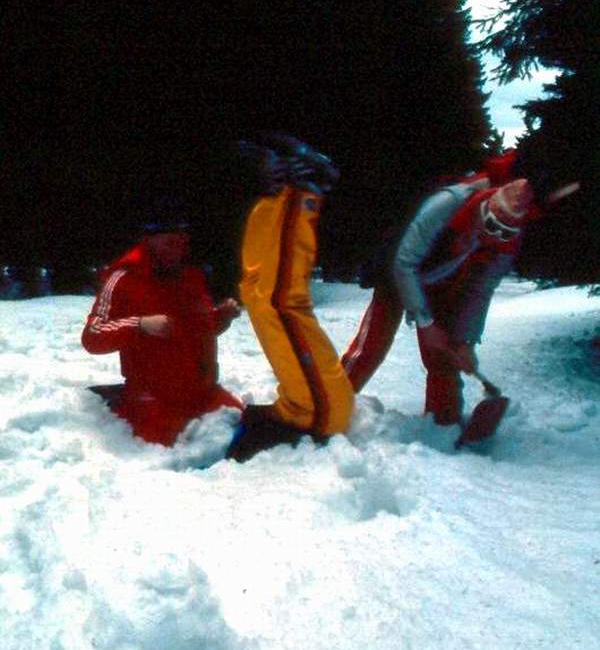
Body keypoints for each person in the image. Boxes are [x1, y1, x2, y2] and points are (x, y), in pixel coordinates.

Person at [342, 152, 577, 426]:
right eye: (493, 226)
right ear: (485, 207)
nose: (496, 235)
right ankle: (328, 404)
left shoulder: (506, 242)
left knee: (444, 359)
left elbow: (481, 290)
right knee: (371, 348)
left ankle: (443, 426)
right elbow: (404, 263)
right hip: (398, 273)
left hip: (444, 284)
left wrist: (467, 340)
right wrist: (426, 322)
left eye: (506, 233)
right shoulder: (448, 202)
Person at [227, 134, 355, 460]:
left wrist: (296, 189)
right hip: (278, 202)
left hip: (321, 414)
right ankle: (285, 192)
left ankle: (299, 190)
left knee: (276, 299)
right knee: (263, 296)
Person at [82, 209, 243, 445]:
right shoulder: (124, 278)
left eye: (181, 242)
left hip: (203, 393)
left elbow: (194, 332)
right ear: (149, 240)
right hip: (154, 401)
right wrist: (140, 324)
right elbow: (92, 337)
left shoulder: (191, 275)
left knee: (240, 428)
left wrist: (221, 317)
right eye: (169, 242)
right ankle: (116, 400)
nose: (177, 249)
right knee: (186, 446)